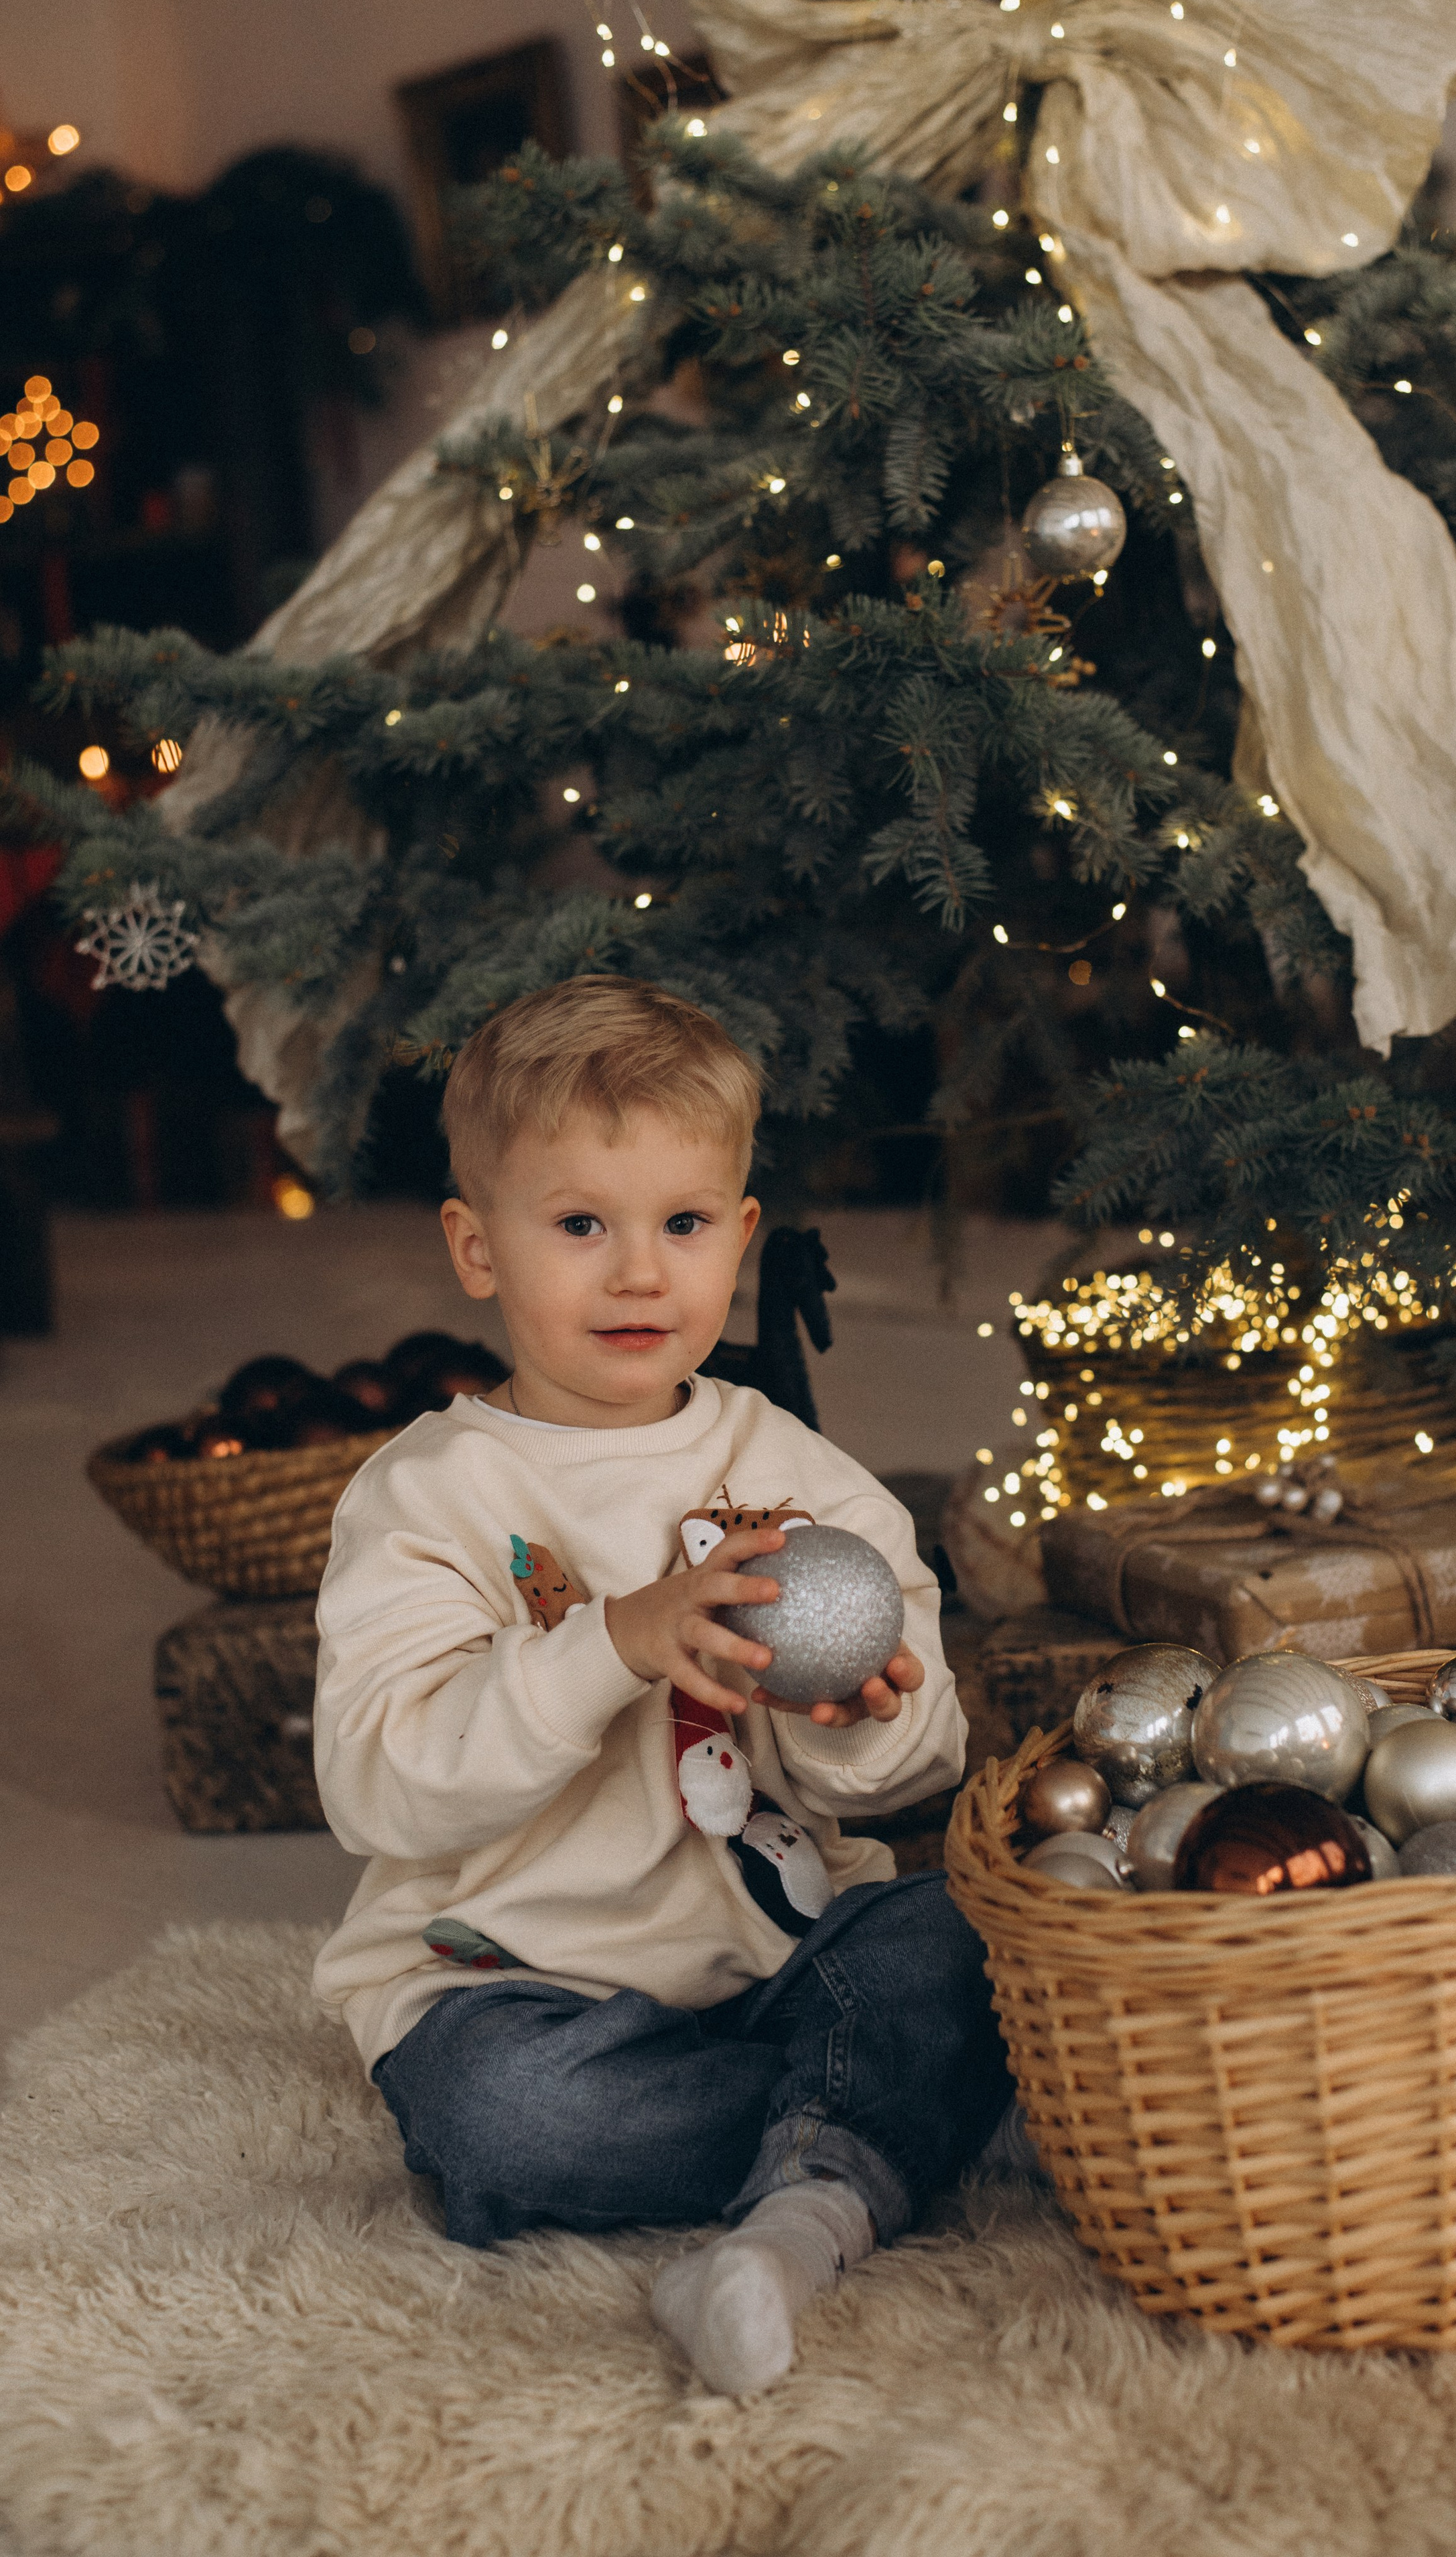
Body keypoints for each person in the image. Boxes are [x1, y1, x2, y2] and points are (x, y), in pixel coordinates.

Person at [312, 974, 1020, 2396]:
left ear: (739, 1236)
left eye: (683, 1225)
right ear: (475, 1247)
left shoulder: (801, 1484)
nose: (639, 1273)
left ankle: (778, 2238)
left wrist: (859, 1722)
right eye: (580, 1225)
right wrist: (611, 1645)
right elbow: (380, 1785)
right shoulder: (433, 1494)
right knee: (506, 2120)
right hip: (517, 1991)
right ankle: (854, 2147)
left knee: (971, 1937)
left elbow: (908, 1768)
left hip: (765, 1972)